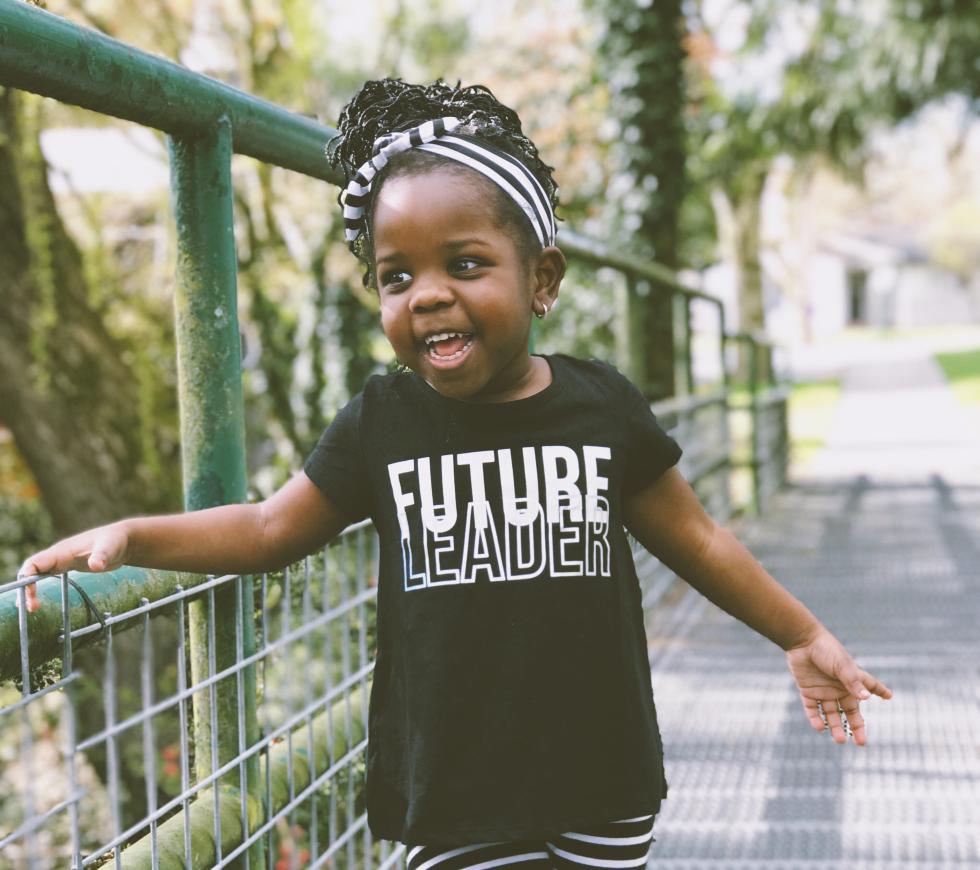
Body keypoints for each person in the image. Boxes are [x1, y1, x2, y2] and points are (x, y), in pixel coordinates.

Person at [19, 79, 892, 868]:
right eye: (397, 277)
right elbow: (266, 529)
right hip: (453, 793)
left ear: (541, 278)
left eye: (465, 265)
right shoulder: (381, 422)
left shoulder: (602, 408)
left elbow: (697, 537)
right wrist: (136, 535)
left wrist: (800, 634)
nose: (427, 294)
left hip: (601, 776)